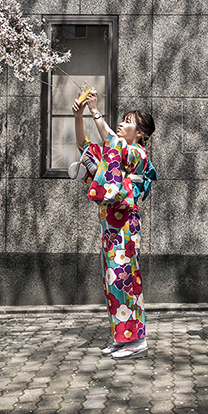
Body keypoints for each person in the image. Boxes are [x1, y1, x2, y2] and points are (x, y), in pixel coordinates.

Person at [72, 91, 157, 359]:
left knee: (125, 279)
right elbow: (85, 146)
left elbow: (112, 142)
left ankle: (136, 340)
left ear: (141, 133)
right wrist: (79, 116)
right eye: (123, 119)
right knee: (113, 282)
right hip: (110, 226)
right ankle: (122, 337)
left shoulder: (136, 153)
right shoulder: (115, 151)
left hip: (125, 226)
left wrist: (96, 111)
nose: (122, 123)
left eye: (129, 121)